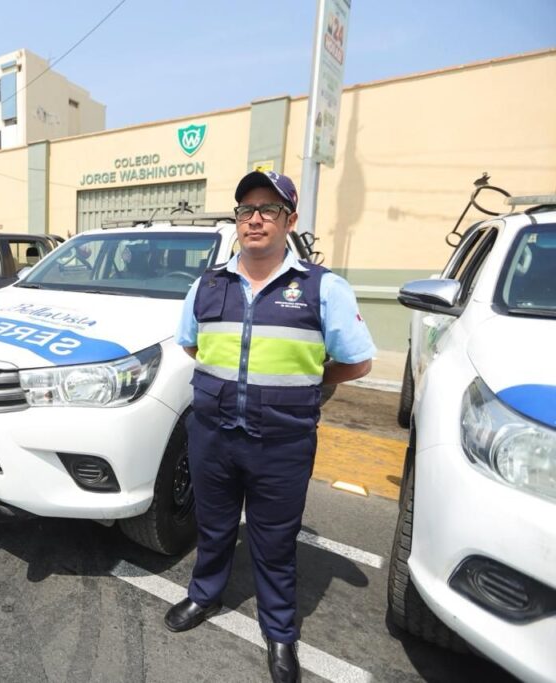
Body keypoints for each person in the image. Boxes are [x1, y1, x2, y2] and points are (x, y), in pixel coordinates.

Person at [167, 171, 375, 683]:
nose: (255, 219)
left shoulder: (323, 288)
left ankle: (280, 631)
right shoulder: (208, 284)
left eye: (269, 210)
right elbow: (192, 345)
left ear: (290, 220)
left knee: (275, 541)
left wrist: (305, 383)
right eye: (246, 210)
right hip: (213, 434)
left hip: (282, 442)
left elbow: (357, 362)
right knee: (214, 526)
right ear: (237, 220)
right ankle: (204, 595)